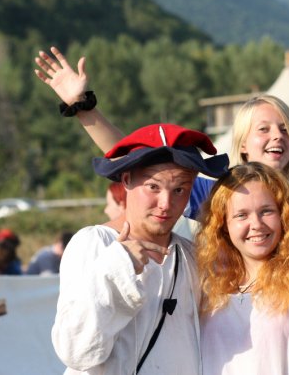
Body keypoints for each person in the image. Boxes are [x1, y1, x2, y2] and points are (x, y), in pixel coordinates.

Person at [33, 0, 289, 235]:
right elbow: (135, 157)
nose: (277, 136)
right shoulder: (220, 194)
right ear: (243, 144)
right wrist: (83, 108)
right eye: (264, 129)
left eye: (285, 128)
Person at [51, 123, 228, 374]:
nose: (166, 203)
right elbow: (76, 351)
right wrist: (116, 268)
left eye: (179, 189)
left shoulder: (192, 257)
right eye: (153, 187)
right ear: (127, 180)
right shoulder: (94, 244)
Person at [196, 162, 289, 374]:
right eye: (241, 215)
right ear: (223, 224)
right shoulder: (205, 281)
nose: (256, 224)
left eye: (266, 211)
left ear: (284, 216)